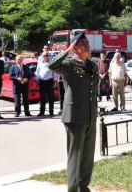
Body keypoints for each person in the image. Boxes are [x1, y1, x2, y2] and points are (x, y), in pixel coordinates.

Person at [48, 31, 99, 192]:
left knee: (88, 155)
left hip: (90, 115)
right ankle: (73, 188)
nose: (87, 45)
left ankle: (83, 186)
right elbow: (52, 65)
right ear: (75, 47)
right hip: (75, 115)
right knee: (75, 155)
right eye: (83, 43)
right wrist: (67, 51)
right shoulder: (69, 64)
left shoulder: (92, 65)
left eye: (87, 42)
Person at [35, 51, 57, 116]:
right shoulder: (40, 63)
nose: (45, 57)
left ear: (48, 56)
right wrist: (36, 80)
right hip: (42, 81)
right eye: (44, 56)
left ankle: (51, 111)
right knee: (42, 97)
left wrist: (55, 81)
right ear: (42, 56)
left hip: (49, 81)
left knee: (50, 97)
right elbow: (38, 72)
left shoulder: (51, 63)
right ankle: (42, 111)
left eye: (46, 55)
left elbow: (54, 73)